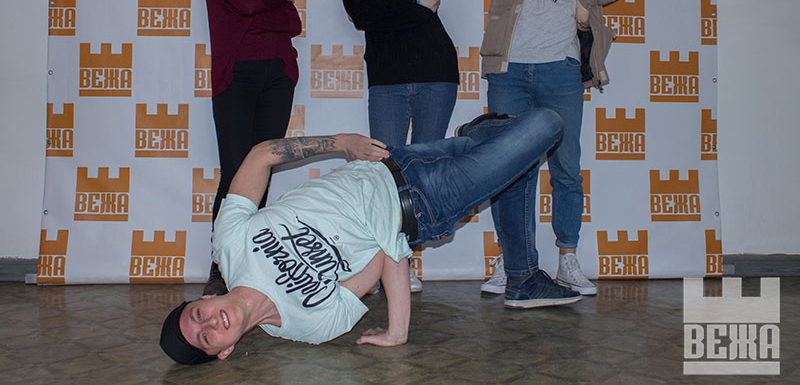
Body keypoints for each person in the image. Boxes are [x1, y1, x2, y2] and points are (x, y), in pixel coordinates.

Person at [160, 109, 582, 365]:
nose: (211, 322)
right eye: (207, 337)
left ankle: (480, 135)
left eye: (198, 315)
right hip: (427, 204)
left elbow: (260, 156)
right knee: (547, 124)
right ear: (224, 351)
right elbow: (384, 254)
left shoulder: (229, 246)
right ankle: (485, 137)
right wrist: (398, 330)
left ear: (201, 300)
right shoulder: (308, 325)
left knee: (501, 150)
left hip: (392, 160)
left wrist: (341, 142)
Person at [451, 0, 643, 296]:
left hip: (561, 68)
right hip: (510, 70)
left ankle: (568, 260)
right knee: (507, 169)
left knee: (566, 168)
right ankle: (513, 261)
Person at [338, 0, 460, 293]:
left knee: (422, 173)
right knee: (384, 173)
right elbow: (362, 15)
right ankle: (391, 262)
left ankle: (406, 260)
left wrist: (387, 5)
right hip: (386, 79)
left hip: (434, 71)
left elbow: (422, 13)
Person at [200, 0, 302, 296]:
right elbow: (245, 5)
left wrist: (265, 6)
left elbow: (292, 22)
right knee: (235, 174)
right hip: (237, 77)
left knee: (261, 173)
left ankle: (247, 269)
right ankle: (220, 269)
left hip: (278, 77)